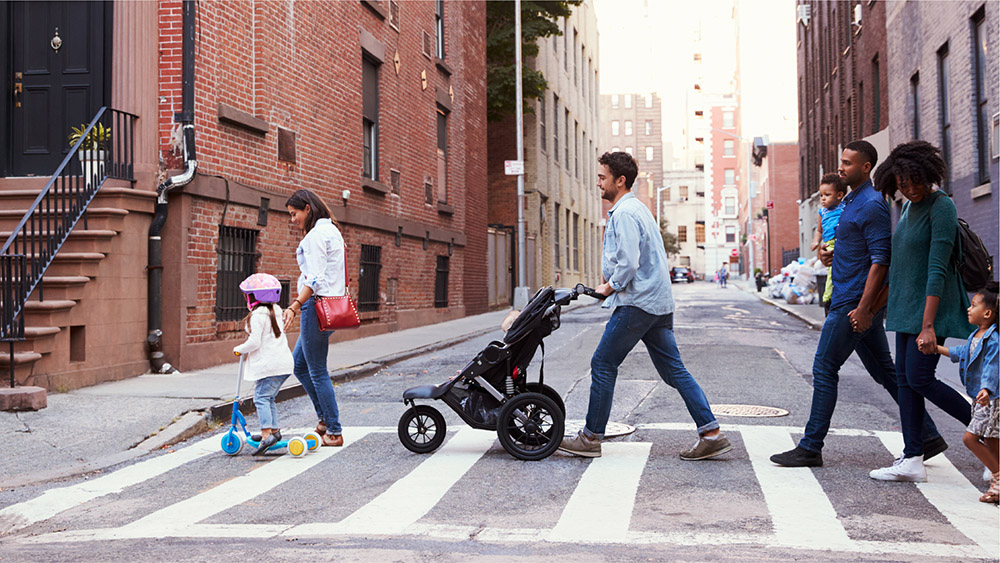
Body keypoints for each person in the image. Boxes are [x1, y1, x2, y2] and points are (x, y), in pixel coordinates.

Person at [771, 140, 946, 468]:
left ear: (866, 167)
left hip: (852, 304)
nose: (841, 167)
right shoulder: (849, 203)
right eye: (841, 161)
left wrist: (865, 309)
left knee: (824, 368)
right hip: (849, 298)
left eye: (848, 163)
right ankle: (928, 436)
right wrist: (827, 254)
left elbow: (880, 261)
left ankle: (811, 446)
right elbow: (856, 250)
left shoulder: (871, 205)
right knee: (885, 372)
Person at [558, 151, 732, 460]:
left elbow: (628, 263)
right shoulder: (638, 208)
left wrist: (608, 286)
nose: (598, 182)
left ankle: (590, 437)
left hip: (637, 303)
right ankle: (711, 432)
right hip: (659, 303)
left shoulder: (624, 213)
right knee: (673, 370)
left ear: (619, 180)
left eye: (602, 177)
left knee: (603, 364)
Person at [868, 141, 975, 482]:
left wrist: (928, 326)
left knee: (920, 378)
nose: (910, 189)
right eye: (902, 184)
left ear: (928, 176)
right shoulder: (910, 208)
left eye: (915, 182)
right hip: (906, 309)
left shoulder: (939, 206)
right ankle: (913, 456)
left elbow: (936, 269)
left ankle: (989, 434)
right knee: (905, 381)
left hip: (931, 310)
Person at [282, 189, 345, 447]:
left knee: (317, 370)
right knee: (299, 366)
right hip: (329, 306)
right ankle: (324, 420)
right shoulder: (331, 231)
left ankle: (334, 430)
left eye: (294, 214)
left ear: (307, 208)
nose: (292, 219)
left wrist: (295, 306)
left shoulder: (316, 236)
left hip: (315, 307)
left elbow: (315, 279)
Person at [935, 282, 999, 502]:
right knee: (991, 441)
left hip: (991, 399)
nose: (969, 309)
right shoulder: (977, 335)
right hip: (981, 398)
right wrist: (935, 348)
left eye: (973, 305)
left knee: (970, 438)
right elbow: (961, 352)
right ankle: (997, 485)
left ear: (988, 313)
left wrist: (986, 388)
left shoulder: (994, 340)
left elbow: (992, 366)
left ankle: (998, 476)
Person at [233, 273, 295, 456]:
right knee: (268, 398)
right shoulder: (276, 311)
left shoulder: (258, 315)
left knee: (261, 398)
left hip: (271, 366)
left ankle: (266, 434)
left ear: (255, 298)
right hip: (281, 364)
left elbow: (254, 342)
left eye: (248, 296)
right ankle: (274, 432)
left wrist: (239, 349)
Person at [810, 173, 847, 313]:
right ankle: (828, 299)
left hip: (841, 242)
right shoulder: (822, 213)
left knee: (837, 273)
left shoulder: (845, 208)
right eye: (821, 195)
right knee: (831, 272)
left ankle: (830, 298)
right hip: (829, 244)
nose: (823, 198)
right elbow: (819, 230)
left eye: (827, 195)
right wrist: (815, 242)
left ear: (839, 195)